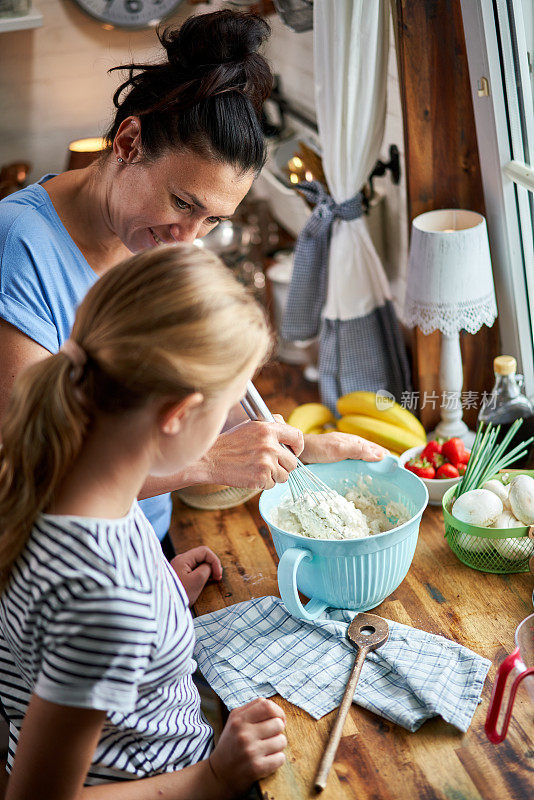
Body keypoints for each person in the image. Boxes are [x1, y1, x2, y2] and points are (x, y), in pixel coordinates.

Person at [0, 9, 386, 557]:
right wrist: (207, 463)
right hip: (62, 568)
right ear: (130, 143)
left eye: (212, 220)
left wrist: (289, 446)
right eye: (183, 203)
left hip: (138, 545)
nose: (188, 239)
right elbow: (28, 468)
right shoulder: (21, 244)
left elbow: (188, 390)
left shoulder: (150, 242)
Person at [0, 243, 287, 799]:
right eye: (227, 410)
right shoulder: (106, 600)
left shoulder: (52, 469)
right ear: (179, 414)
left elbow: (56, 639)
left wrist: (161, 597)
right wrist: (215, 776)